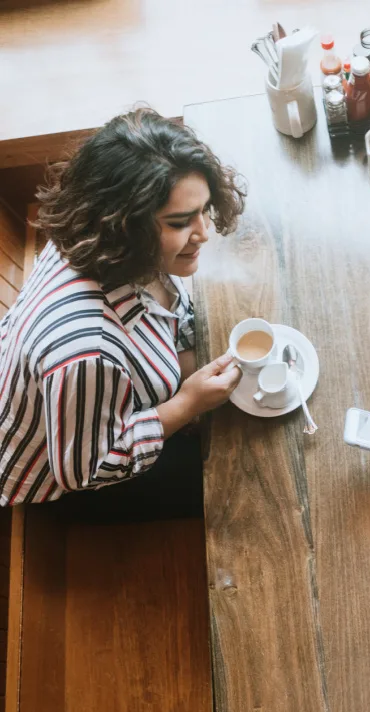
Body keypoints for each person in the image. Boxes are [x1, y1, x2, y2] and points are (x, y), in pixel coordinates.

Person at [0, 109, 245, 518]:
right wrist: (185, 406)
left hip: (76, 403)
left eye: (204, 210)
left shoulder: (96, 238)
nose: (204, 232)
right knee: (235, 477)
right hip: (56, 474)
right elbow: (86, 469)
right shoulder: (87, 352)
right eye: (181, 222)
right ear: (124, 224)